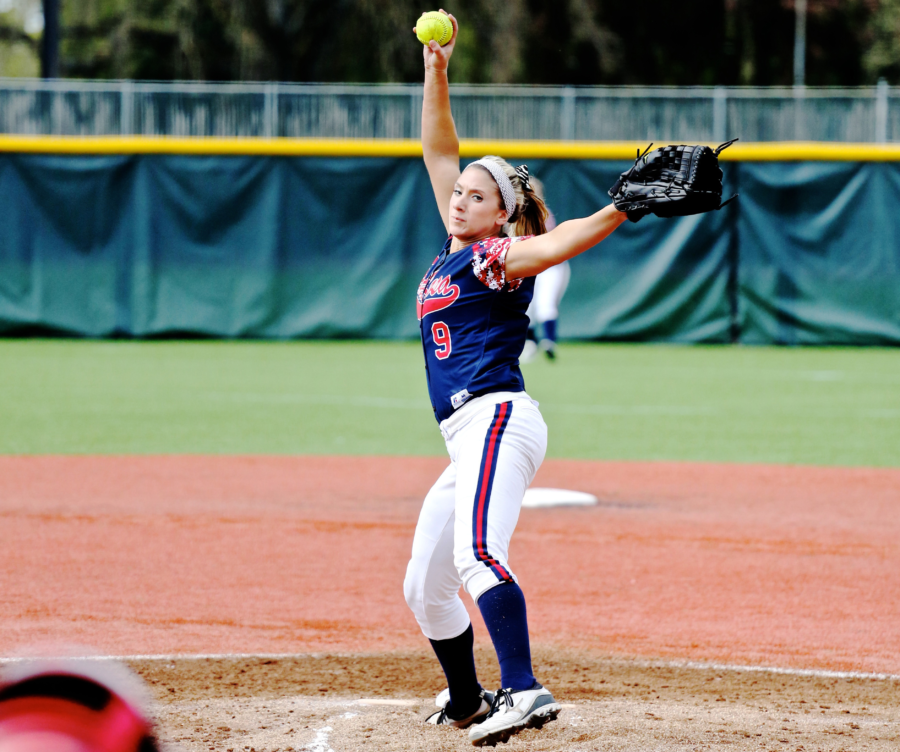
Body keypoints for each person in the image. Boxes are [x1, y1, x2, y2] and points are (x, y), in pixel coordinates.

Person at [403, 10, 627, 747]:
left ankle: (524, 688)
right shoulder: (453, 248)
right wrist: (437, 72)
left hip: (498, 417)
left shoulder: (497, 255)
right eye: (459, 192)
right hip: (465, 434)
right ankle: (467, 696)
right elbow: (439, 148)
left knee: (477, 554)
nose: (459, 198)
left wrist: (619, 208)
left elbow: (556, 241)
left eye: (475, 194)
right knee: (424, 585)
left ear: (501, 213)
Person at [519, 177, 569, 362]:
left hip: (551, 268)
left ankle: (548, 342)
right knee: (527, 308)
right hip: (532, 267)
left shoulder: (543, 213)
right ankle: (531, 344)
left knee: (545, 306)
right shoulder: (516, 213)